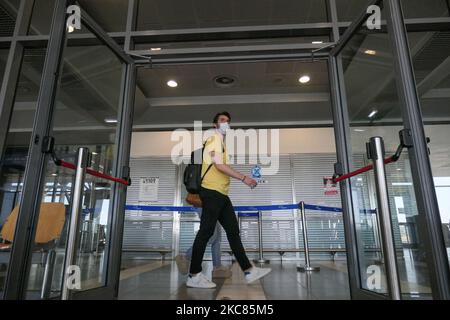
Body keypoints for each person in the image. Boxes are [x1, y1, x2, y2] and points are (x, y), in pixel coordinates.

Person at [186, 111, 271, 289]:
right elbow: (219, 165)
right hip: (212, 192)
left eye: (228, 121)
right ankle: (194, 275)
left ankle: (249, 270)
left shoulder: (222, 143)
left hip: (222, 194)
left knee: (233, 231)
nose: (226, 123)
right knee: (206, 232)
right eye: (222, 120)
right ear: (215, 125)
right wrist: (244, 178)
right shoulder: (214, 139)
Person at [175, 208, 232, 279]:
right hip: (205, 204)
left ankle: (217, 267)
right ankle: (186, 257)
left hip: (214, 205)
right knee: (210, 236)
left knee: (217, 238)